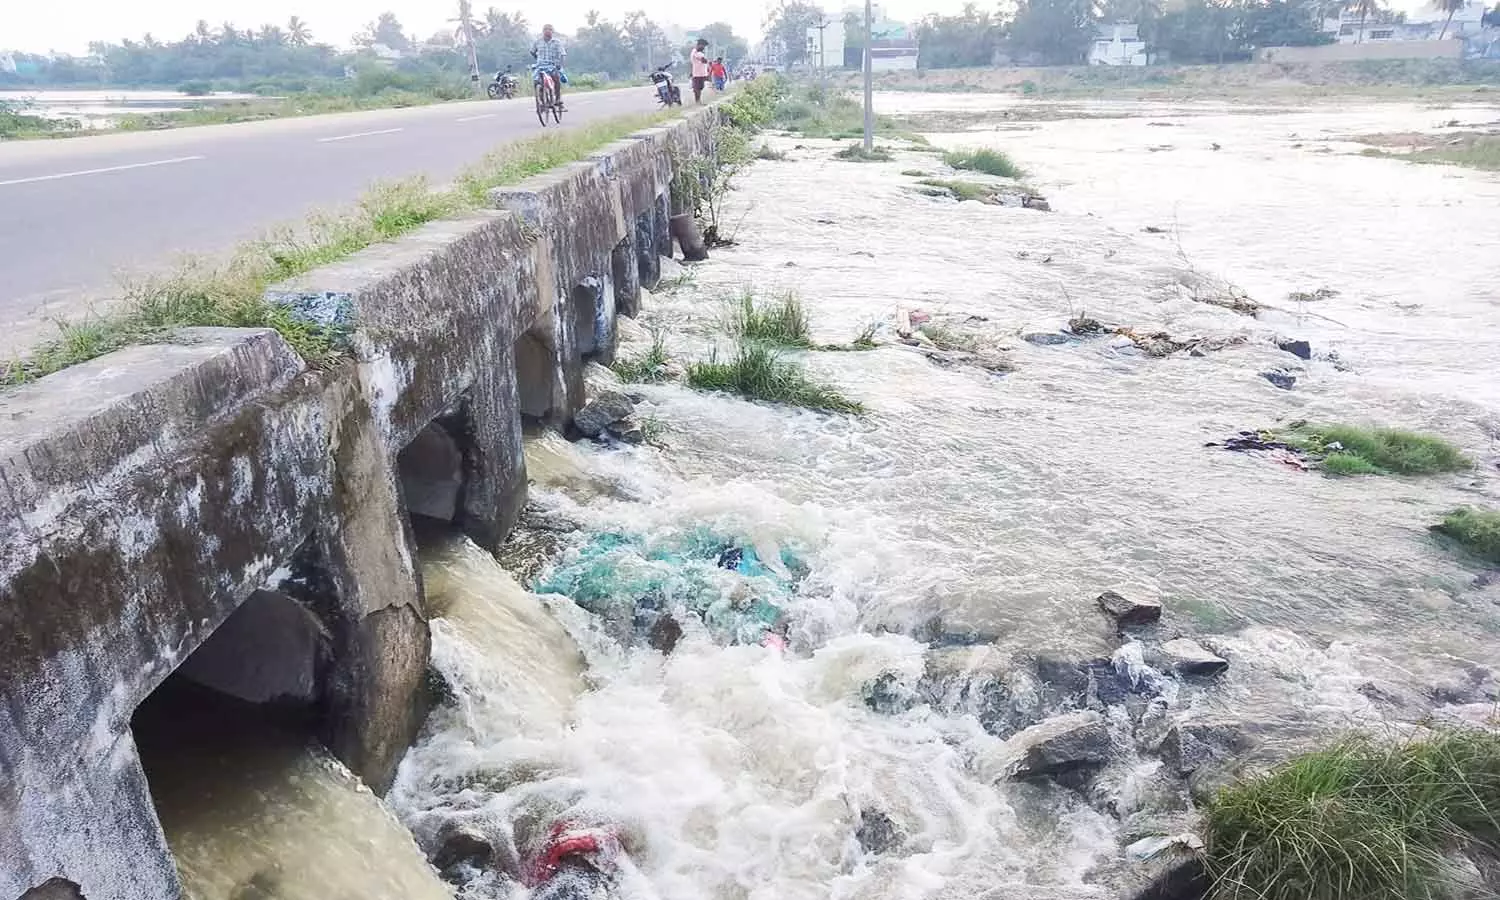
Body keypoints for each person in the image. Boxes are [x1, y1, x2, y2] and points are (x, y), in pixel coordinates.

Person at [530, 23, 567, 109]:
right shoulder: (538, 42)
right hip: (540, 65)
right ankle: (542, 102)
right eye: (545, 29)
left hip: (552, 65)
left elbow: (563, 54)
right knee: (537, 81)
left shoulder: (557, 42)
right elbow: (532, 51)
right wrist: (537, 58)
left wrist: (560, 64)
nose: (547, 31)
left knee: (556, 78)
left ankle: (557, 99)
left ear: (552, 32)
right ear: (543, 31)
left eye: (549, 30)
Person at [689, 39, 710, 104]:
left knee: (700, 87)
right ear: (699, 45)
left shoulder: (698, 52)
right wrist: (708, 61)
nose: (703, 48)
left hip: (700, 73)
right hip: (697, 73)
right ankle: (698, 102)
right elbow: (704, 60)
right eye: (703, 46)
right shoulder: (696, 52)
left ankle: (698, 101)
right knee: (697, 88)